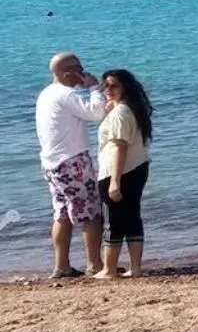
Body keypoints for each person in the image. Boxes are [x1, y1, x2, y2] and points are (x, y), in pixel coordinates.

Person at [35, 52, 107, 279]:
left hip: (51, 162)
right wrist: (94, 88)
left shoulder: (46, 94)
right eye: (79, 67)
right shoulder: (66, 94)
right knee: (91, 213)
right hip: (71, 160)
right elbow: (97, 113)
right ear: (67, 72)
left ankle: (62, 265)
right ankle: (95, 264)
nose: (83, 70)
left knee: (62, 214)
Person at [95, 69, 154, 279]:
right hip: (137, 168)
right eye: (106, 86)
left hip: (120, 171)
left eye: (114, 86)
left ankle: (109, 269)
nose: (108, 90)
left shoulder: (121, 113)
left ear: (125, 88)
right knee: (132, 219)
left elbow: (120, 147)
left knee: (113, 221)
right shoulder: (130, 109)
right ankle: (135, 268)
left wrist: (114, 182)